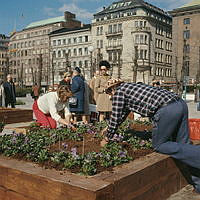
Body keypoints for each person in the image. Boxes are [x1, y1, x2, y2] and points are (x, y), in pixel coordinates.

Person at [101, 80, 200, 194]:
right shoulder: (132, 86)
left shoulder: (118, 93)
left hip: (167, 110)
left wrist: (107, 138)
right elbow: (121, 116)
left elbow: (115, 116)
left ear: (113, 88)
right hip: (180, 104)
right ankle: (198, 185)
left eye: (108, 92)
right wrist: (108, 127)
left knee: (160, 144)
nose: (110, 96)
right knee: (185, 148)